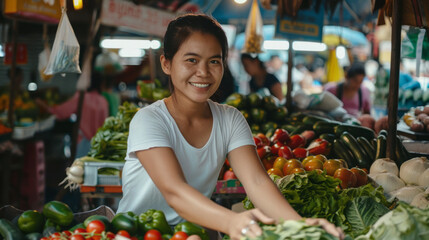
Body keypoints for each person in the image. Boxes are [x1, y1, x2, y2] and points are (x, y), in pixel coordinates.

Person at [117, 14, 344, 240]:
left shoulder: (230, 119)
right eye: (191, 60)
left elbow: (256, 182)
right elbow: (174, 191)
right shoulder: (149, 120)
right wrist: (232, 221)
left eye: (214, 61)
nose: (203, 72)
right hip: (136, 233)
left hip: (190, 233)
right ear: (167, 64)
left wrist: (300, 226)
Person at [35, 71, 109, 157]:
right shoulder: (104, 101)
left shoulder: (81, 98)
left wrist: (44, 106)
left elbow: (61, 112)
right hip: (100, 145)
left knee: (80, 169)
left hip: (83, 144)